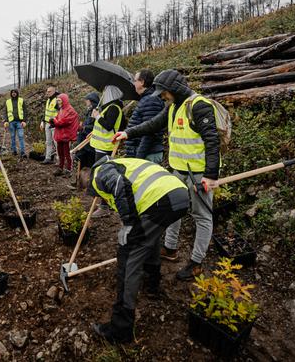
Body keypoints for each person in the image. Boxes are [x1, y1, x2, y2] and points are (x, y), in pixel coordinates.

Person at [113, 69, 220, 280]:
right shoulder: (172, 107)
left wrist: (211, 174)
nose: (162, 96)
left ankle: (196, 263)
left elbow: (212, 140)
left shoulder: (199, 106)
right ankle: (170, 249)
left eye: (164, 92)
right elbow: (152, 124)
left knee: (202, 217)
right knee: (172, 210)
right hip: (177, 171)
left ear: (175, 90)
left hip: (199, 175)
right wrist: (127, 133)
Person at [88, 156, 189, 344]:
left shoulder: (100, 173)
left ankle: (120, 329)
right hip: (179, 195)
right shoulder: (125, 163)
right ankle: (152, 285)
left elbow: (118, 184)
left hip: (160, 200)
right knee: (148, 239)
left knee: (128, 257)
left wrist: (128, 224)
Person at [90, 85, 126, 217]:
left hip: (106, 148)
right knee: (100, 175)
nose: (103, 95)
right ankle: (104, 203)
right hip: (101, 146)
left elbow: (108, 125)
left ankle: (104, 206)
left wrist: (98, 116)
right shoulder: (109, 107)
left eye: (105, 92)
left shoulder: (114, 108)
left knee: (102, 176)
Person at [124, 69, 165, 164]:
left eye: (135, 80)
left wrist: (139, 158)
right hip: (144, 154)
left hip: (147, 155)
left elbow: (150, 133)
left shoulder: (151, 101)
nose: (133, 83)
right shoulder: (146, 99)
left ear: (142, 82)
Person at [70, 91, 100, 188]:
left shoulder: (96, 111)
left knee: (90, 163)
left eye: (87, 100)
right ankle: (80, 181)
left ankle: (88, 184)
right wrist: (82, 126)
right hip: (84, 140)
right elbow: (88, 123)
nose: (86, 102)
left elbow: (94, 126)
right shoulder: (89, 110)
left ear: (91, 101)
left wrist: (83, 128)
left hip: (90, 142)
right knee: (82, 160)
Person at [49, 93, 79, 176]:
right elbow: (58, 119)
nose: (58, 102)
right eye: (57, 100)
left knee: (67, 153)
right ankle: (60, 168)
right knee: (60, 152)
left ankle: (69, 169)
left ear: (64, 100)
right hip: (60, 134)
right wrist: (53, 122)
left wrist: (54, 120)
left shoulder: (70, 110)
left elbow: (63, 121)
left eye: (59, 100)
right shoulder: (61, 109)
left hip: (66, 135)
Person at [2, 89, 28, 157]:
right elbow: (5, 112)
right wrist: (5, 121)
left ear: (17, 93)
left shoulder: (21, 100)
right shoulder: (7, 102)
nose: (13, 93)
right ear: (11, 93)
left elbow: (25, 111)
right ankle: (14, 151)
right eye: (12, 92)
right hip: (11, 122)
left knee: (21, 136)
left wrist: (24, 121)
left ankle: (22, 152)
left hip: (20, 122)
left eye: (15, 92)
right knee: (12, 136)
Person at [40, 85, 59, 164]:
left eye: (49, 91)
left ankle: (59, 159)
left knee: (56, 142)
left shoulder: (57, 100)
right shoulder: (48, 100)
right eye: (47, 91)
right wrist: (42, 121)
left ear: (54, 91)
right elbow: (46, 112)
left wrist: (56, 122)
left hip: (55, 125)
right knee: (48, 142)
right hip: (47, 123)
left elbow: (60, 113)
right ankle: (48, 158)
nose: (47, 93)